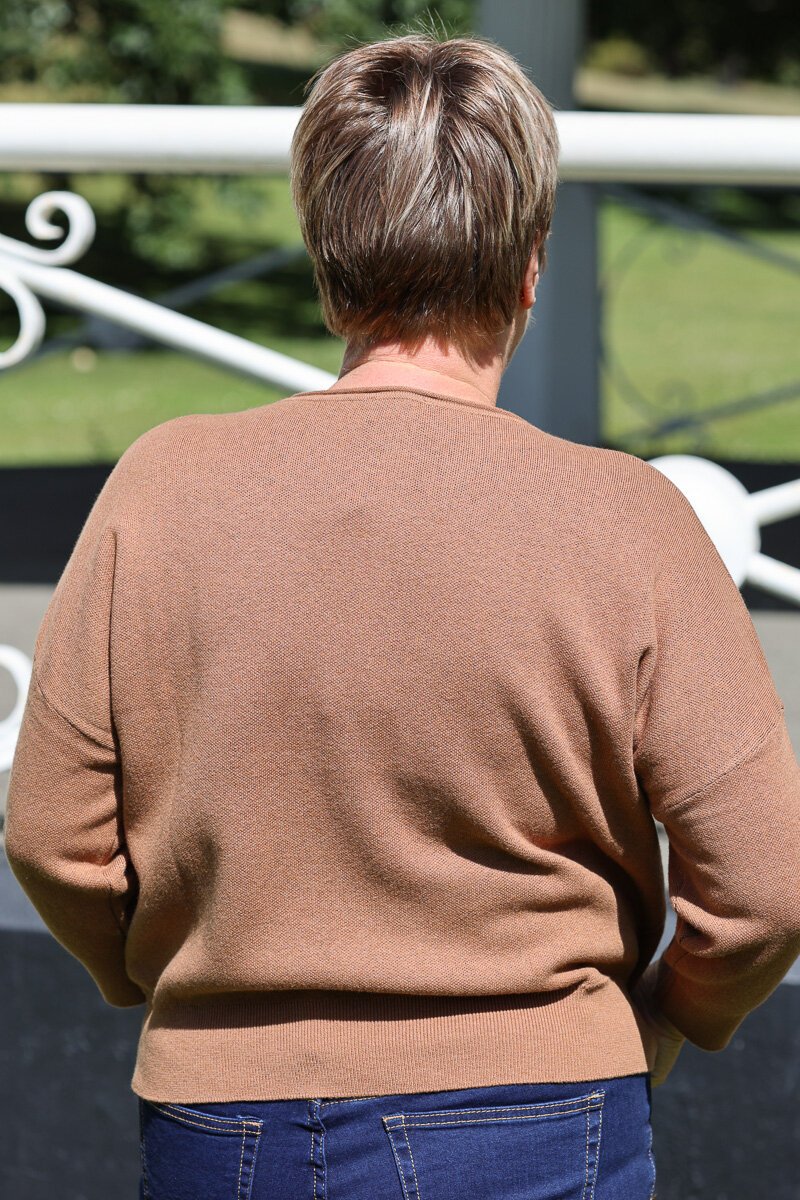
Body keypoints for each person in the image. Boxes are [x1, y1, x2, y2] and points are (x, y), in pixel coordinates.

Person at [5, 29, 800, 1200]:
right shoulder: (626, 517)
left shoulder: (159, 488)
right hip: (542, 1110)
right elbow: (765, 887)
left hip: (223, 1121)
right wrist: (666, 1017)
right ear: (529, 268)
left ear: (325, 259)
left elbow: (50, 835)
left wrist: (176, 980)